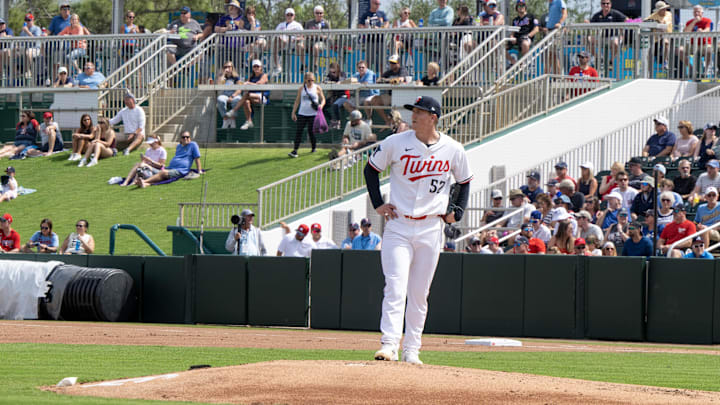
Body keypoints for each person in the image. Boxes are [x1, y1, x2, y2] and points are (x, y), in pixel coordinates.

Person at [365, 95, 472, 365]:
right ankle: (389, 344)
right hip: (399, 225)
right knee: (395, 286)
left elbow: (465, 181)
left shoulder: (453, 148)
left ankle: (412, 349)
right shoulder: (395, 142)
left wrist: (457, 211)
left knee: (419, 292)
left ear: (433, 117)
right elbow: (370, 170)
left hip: (431, 227)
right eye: (413, 111)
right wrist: (378, 204)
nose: (414, 115)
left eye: (420, 112)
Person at [136, 131, 202, 187]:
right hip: (170, 168)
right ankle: (144, 183)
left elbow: (197, 158)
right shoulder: (179, 146)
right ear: (181, 139)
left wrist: (199, 170)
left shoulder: (193, 145)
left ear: (190, 138)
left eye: (187, 137)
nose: (185, 138)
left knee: (163, 172)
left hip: (180, 170)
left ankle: (144, 181)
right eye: (183, 137)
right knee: (149, 168)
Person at [289, 72, 325, 158]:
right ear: (305, 80)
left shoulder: (317, 88)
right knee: (299, 131)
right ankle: (295, 150)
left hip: (313, 113)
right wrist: (293, 112)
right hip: (302, 113)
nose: (311, 82)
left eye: (312, 80)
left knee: (311, 131)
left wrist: (321, 106)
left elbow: (323, 99)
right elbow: (297, 101)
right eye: (309, 80)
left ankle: (313, 147)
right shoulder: (301, 89)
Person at [228, 59, 269, 131]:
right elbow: (244, 87)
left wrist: (248, 83)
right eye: (254, 66)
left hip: (262, 97)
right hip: (252, 97)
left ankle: (233, 111)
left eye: (258, 66)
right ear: (252, 68)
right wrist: (233, 95)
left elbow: (259, 84)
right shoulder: (251, 77)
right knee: (246, 101)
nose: (256, 68)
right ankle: (249, 121)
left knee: (247, 95)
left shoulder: (264, 75)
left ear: (261, 67)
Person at [587, 0, 627, 65]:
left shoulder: (615, 13)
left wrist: (622, 32)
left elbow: (626, 19)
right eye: (603, 3)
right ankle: (598, 58)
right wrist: (587, 23)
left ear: (610, 5)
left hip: (613, 37)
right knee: (588, 39)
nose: (606, 5)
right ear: (601, 5)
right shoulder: (597, 15)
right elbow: (590, 23)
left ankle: (611, 60)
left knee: (615, 43)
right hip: (601, 38)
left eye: (607, 3)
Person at [678, 5, 713, 78]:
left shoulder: (707, 20)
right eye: (695, 12)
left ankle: (705, 71)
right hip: (692, 44)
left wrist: (702, 31)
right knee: (679, 50)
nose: (697, 13)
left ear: (702, 13)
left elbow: (708, 29)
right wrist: (694, 22)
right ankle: (691, 68)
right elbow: (686, 31)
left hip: (704, 44)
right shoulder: (689, 22)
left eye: (698, 12)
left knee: (709, 51)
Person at [271, 8, 305, 77]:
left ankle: (303, 64)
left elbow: (303, 37)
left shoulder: (298, 25)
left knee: (301, 46)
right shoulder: (280, 25)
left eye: (291, 15)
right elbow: (275, 34)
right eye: (288, 15)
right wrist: (281, 38)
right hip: (282, 43)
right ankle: (278, 66)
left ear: (294, 16)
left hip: (293, 43)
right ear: (285, 16)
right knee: (274, 43)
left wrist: (295, 39)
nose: (289, 16)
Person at [216, 60, 243, 129]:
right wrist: (223, 75)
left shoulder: (236, 77)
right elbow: (218, 85)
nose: (227, 68)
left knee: (236, 101)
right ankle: (225, 119)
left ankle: (232, 120)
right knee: (220, 100)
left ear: (232, 68)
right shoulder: (222, 76)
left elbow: (239, 89)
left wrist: (232, 96)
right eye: (225, 67)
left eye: (229, 66)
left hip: (234, 94)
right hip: (225, 94)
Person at [20, 13, 43, 80]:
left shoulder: (37, 28)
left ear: (33, 20)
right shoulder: (24, 29)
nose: (27, 22)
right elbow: (20, 39)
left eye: (29, 20)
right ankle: (14, 73)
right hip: (24, 48)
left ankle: (29, 70)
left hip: (35, 49)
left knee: (28, 52)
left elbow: (36, 40)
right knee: (11, 52)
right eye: (26, 20)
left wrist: (27, 31)